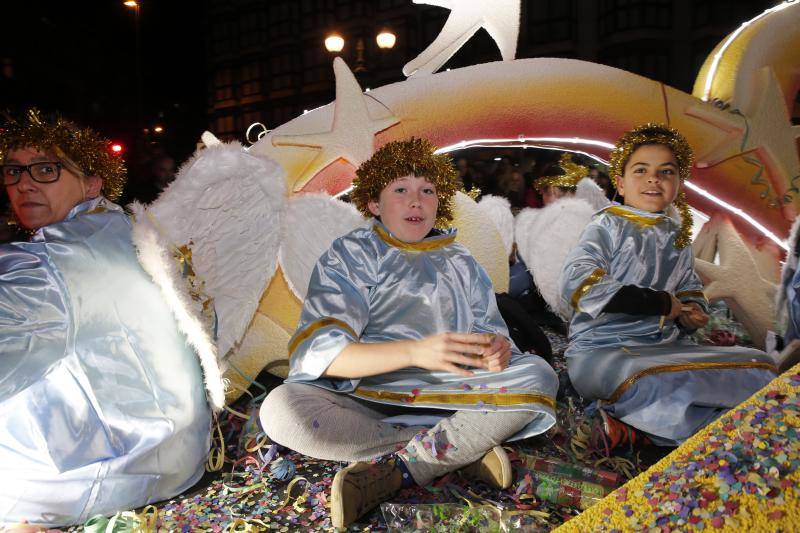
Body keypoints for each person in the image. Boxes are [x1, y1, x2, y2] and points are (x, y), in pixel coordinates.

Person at [259, 138, 558, 529]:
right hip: (364, 395)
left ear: (439, 202)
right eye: (400, 190)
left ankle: (404, 467)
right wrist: (415, 352)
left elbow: (491, 335)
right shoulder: (350, 254)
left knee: (540, 375)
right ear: (374, 204)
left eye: (427, 191)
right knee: (281, 411)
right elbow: (323, 350)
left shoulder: (462, 260)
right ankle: (459, 448)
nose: (416, 201)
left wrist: (497, 350)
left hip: (452, 392)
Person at [0, 110, 212, 526]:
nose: (24, 184)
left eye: (46, 169)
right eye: (13, 171)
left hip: (111, 472)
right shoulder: (125, 225)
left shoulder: (51, 263)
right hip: (180, 448)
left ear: (92, 181)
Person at [558, 123, 777, 452]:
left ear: (678, 183)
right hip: (604, 352)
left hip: (665, 349)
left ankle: (656, 427)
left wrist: (693, 313)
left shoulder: (676, 235)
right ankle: (694, 431)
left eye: (666, 172)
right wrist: (661, 304)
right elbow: (578, 282)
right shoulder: (607, 225)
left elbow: (688, 288)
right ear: (620, 181)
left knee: (760, 366)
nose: (653, 179)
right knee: (650, 379)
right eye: (641, 170)